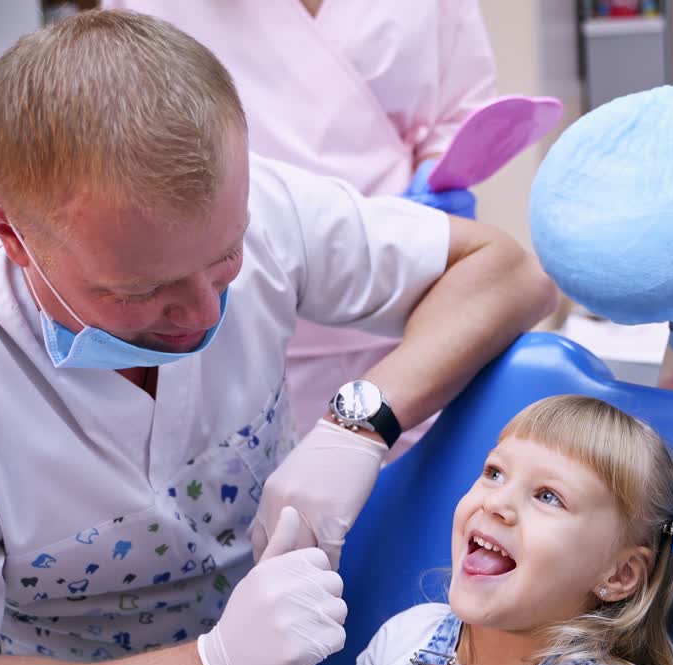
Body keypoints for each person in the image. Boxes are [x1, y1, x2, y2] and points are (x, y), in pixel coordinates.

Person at [0, 10, 556, 665]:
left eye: (225, 259)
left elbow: (510, 275)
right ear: (9, 235)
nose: (201, 314)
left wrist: (361, 421)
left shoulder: (271, 209)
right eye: (141, 290)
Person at [105, 0, 501, 454]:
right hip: (244, 288)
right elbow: (127, 133)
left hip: (402, 268)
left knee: (410, 487)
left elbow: (464, 105)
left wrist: (439, 172)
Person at [340, 395, 673, 665]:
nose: (495, 503)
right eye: (495, 473)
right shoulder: (407, 637)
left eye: (548, 496)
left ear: (619, 575)